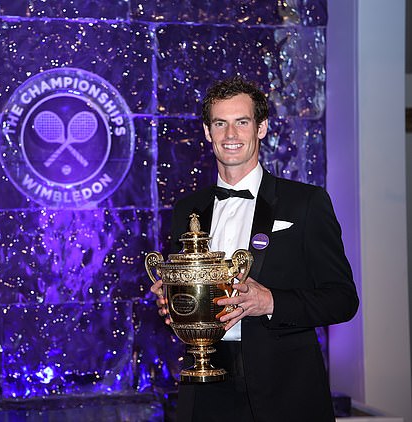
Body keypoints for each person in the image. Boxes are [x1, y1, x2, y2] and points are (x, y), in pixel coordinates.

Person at [150, 76, 359, 422]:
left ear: (261, 128)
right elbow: (184, 294)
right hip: (203, 390)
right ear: (207, 132)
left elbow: (342, 299)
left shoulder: (306, 203)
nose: (231, 136)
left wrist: (270, 301)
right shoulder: (188, 209)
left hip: (285, 391)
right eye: (220, 123)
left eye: (242, 122)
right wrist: (174, 304)